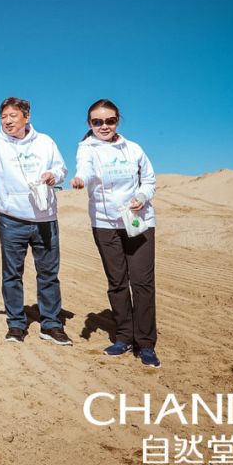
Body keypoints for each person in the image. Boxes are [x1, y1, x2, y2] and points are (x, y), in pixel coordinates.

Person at [0, 97, 70, 345]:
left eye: (13, 115)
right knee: (12, 275)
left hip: (45, 219)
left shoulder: (45, 142)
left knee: (48, 274)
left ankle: (51, 324)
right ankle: (16, 324)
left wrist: (53, 175)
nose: (7, 121)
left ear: (26, 117)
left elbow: (62, 169)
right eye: (3, 117)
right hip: (12, 220)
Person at [71, 99, 160, 368]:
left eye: (109, 121)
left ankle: (145, 343)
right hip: (105, 223)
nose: (104, 126)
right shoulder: (86, 148)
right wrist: (80, 179)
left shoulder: (133, 149)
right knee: (117, 282)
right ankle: (124, 337)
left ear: (117, 121)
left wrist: (141, 197)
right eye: (97, 122)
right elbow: (85, 169)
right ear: (89, 124)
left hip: (138, 222)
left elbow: (149, 180)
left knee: (142, 283)